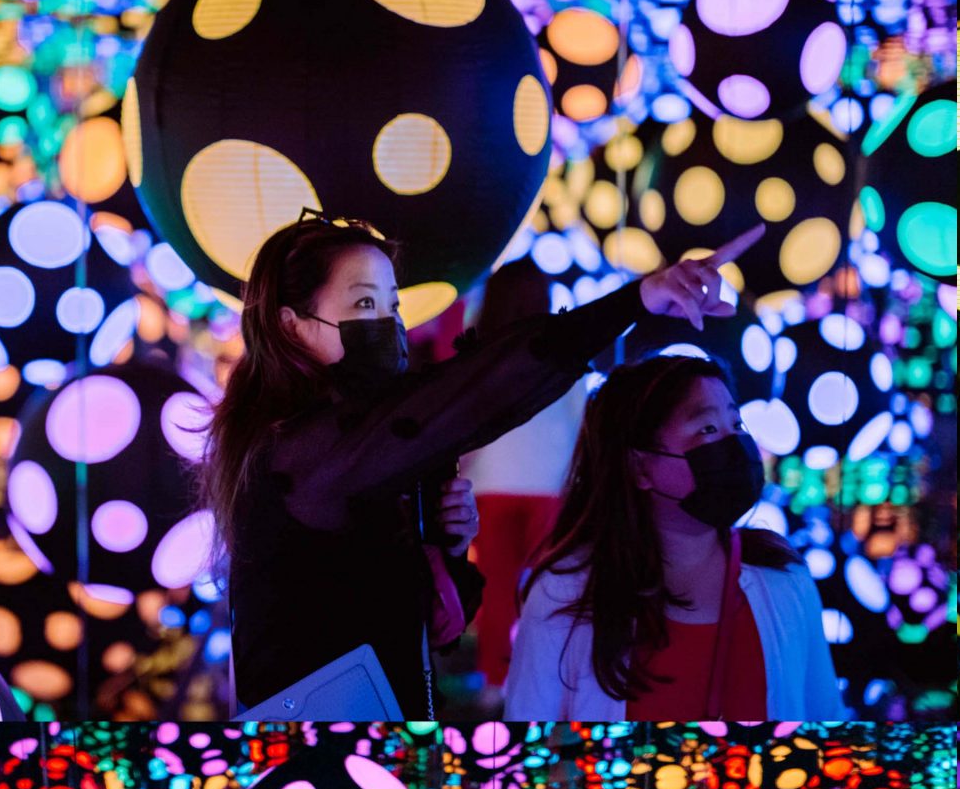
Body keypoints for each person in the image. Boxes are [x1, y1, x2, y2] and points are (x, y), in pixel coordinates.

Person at [200, 210, 748, 717]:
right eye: (364, 304)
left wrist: (447, 546)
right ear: (292, 325)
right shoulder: (297, 447)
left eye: (392, 306)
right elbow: (479, 393)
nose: (387, 324)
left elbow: (432, 628)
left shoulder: (376, 445)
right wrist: (635, 301)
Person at [504, 351, 847, 721]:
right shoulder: (566, 593)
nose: (733, 445)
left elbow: (824, 720)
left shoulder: (782, 576)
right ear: (639, 466)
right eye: (707, 429)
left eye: (736, 425)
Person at [456, 257, 591, 689]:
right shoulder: (564, 347)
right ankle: (551, 680)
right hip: (551, 484)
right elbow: (579, 418)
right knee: (551, 589)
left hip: (491, 484)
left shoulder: (479, 351)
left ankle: (496, 681)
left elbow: (464, 422)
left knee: (495, 590)